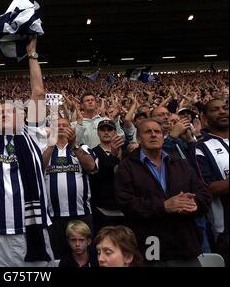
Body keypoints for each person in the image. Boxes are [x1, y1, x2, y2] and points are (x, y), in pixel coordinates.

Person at [0, 37, 54, 266]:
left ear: (24, 117)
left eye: (11, 110)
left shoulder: (35, 136)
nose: (4, 113)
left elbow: (38, 93)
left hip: (30, 231)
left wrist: (32, 55)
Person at [115, 119, 211, 266]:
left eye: (157, 132)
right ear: (139, 138)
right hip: (150, 247)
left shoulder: (180, 164)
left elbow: (204, 195)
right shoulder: (127, 166)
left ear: (163, 136)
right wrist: (164, 206)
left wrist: (194, 204)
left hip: (184, 246)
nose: (153, 135)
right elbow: (126, 203)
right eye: (148, 132)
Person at [43, 117, 97, 259]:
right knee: (57, 256)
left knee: (84, 255)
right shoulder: (45, 149)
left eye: (65, 125)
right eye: (57, 125)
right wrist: (50, 144)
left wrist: (74, 146)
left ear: (72, 129)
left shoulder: (83, 148)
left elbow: (91, 167)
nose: (61, 127)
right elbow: (38, 168)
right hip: (54, 216)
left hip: (81, 213)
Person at [195, 98, 229, 265]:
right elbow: (207, 188)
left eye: (225, 107)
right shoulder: (201, 148)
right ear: (205, 119)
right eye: (215, 109)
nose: (222, 111)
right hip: (225, 231)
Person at [91, 119, 125, 231]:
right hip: (102, 209)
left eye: (109, 129)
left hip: (124, 208)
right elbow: (98, 177)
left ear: (115, 132)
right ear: (97, 132)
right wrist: (113, 157)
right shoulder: (93, 152)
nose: (106, 132)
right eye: (102, 130)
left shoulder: (125, 152)